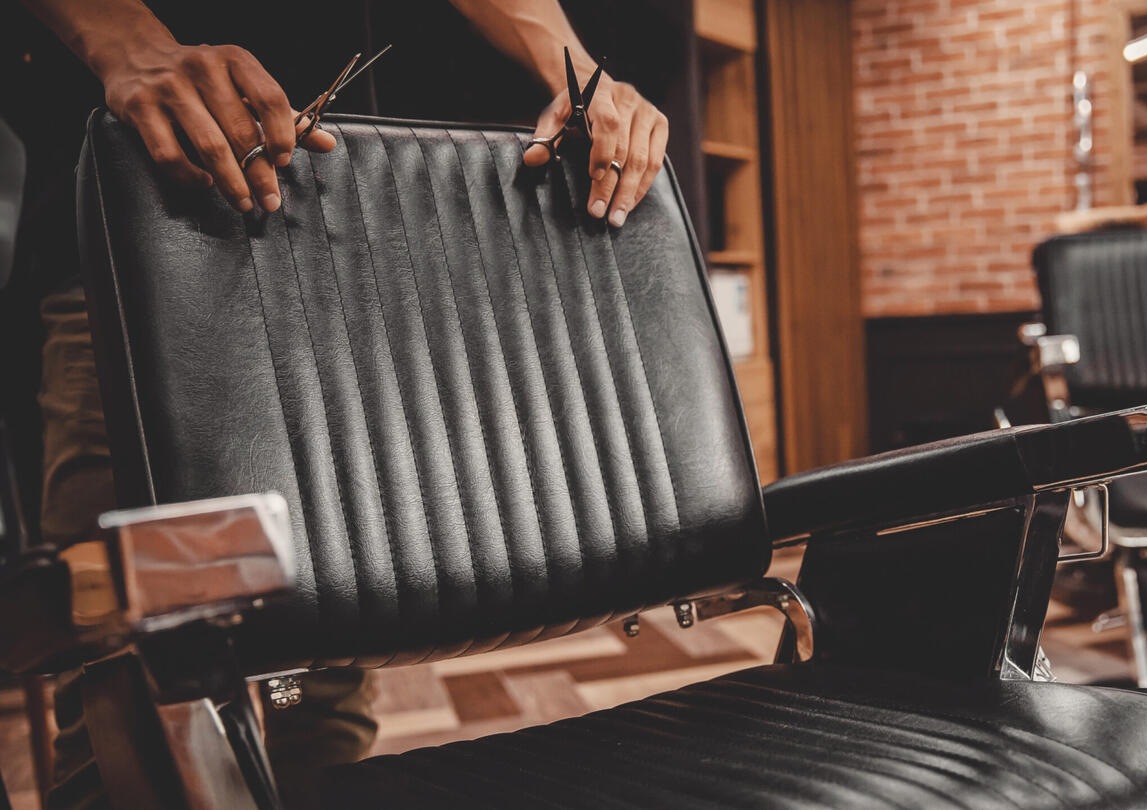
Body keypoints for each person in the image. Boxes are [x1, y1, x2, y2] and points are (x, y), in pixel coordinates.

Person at [7, 1, 671, 806]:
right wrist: (129, 45)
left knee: (320, 683)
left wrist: (573, 62)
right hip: (139, 221)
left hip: (331, 234)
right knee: (130, 701)